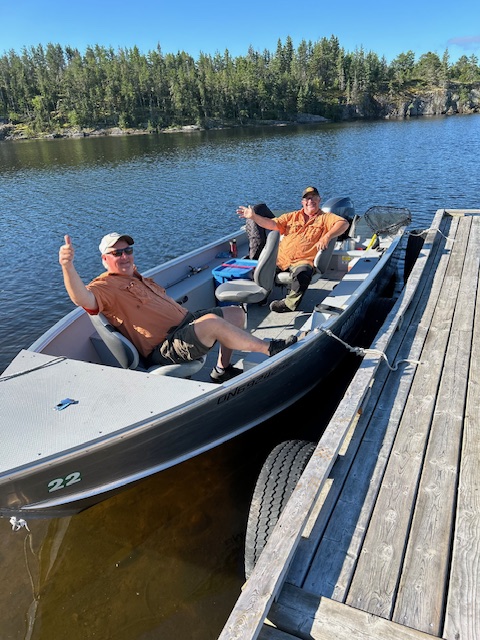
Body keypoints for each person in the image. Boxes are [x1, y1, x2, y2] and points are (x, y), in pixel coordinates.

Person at [59, 232, 297, 383]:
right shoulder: (105, 286)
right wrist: (68, 266)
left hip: (186, 323)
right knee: (213, 324)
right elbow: (83, 299)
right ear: (105, 259)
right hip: (165, 346)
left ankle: (222, 369)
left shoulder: (138, 277)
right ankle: (271, 349)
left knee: (235, 313)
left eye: (128, 251)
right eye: (117, 253)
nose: (124, 256)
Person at [237, 187, 350, 313]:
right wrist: (253, 217)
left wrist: (327, 236)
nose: (311, 201)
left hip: (303, 260)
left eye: (314, 197)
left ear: (319, 200)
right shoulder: (292, 216)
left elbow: (344, 223)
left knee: (303, 274)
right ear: (303, 202)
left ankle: (289, 304)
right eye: (308, 198)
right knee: (257, 271)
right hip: (281, 258)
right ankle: (262, 296)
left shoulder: (325, 218)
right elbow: (271, 224)